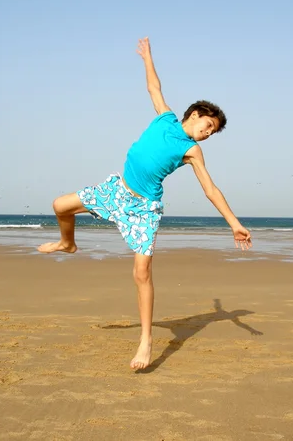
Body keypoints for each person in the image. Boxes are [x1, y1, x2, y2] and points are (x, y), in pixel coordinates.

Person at [38, 37, 252, 370]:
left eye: (213, 132)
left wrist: (234, 223)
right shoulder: (165, 119)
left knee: (141, 272)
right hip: (116, 191)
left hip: (143, 209)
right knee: (59, 205)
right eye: (208, 125)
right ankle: (68, 244)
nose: (209, 133)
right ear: (194, 115)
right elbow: (154, 88)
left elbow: (210, 189)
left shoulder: (192, 151)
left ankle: (146, 342)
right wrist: (147, 57)